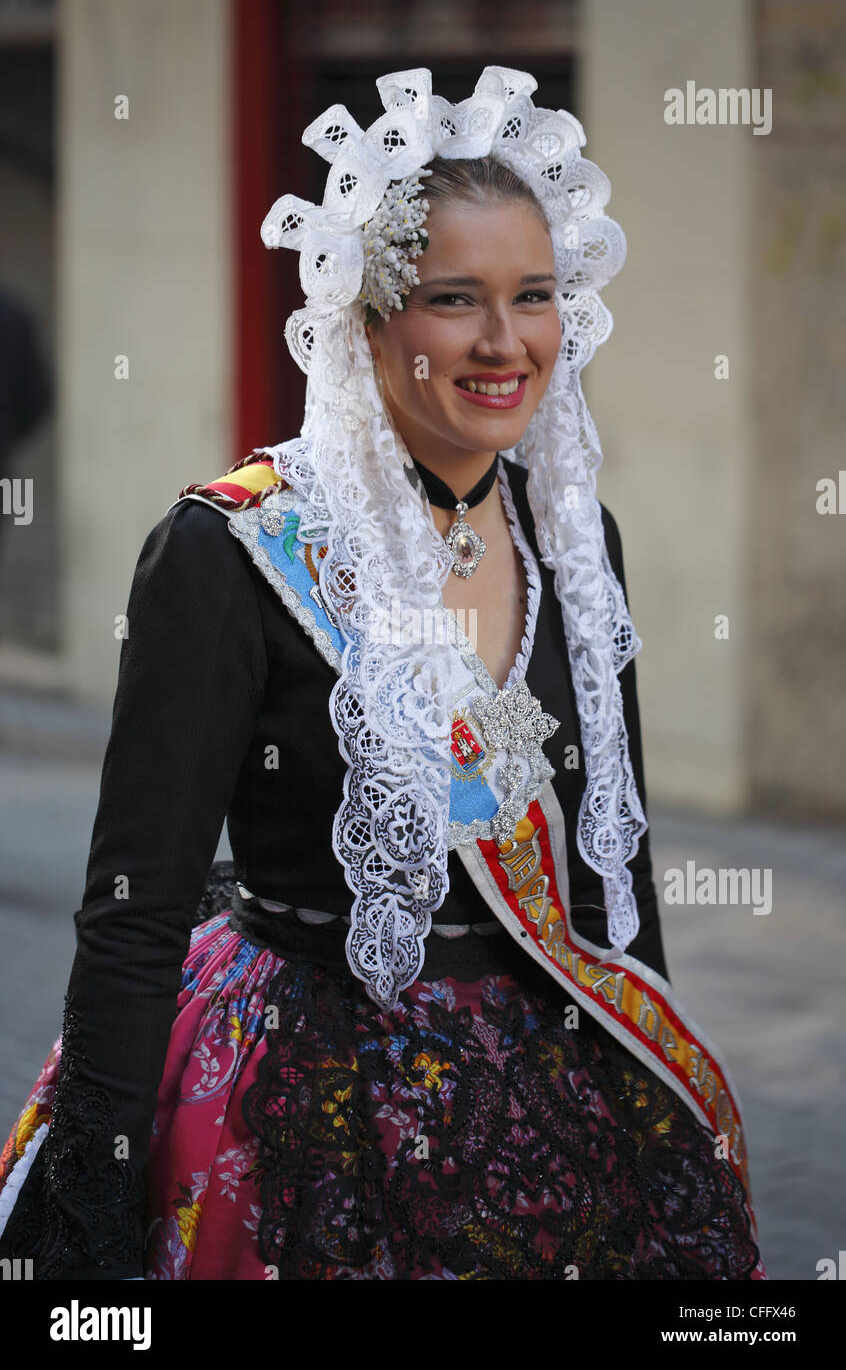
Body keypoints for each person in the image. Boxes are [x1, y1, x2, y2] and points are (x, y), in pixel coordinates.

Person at [0, 66, 766, 1281]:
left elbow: (611, 871)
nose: (505, 342)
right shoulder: (229, 551)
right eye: (455, 300)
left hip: (545, 1095)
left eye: (536, 297)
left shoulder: (575, 536)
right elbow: (135, 913)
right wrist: (90, 1204)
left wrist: (651, 1093)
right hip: (304, 1099)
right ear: (369, 319)